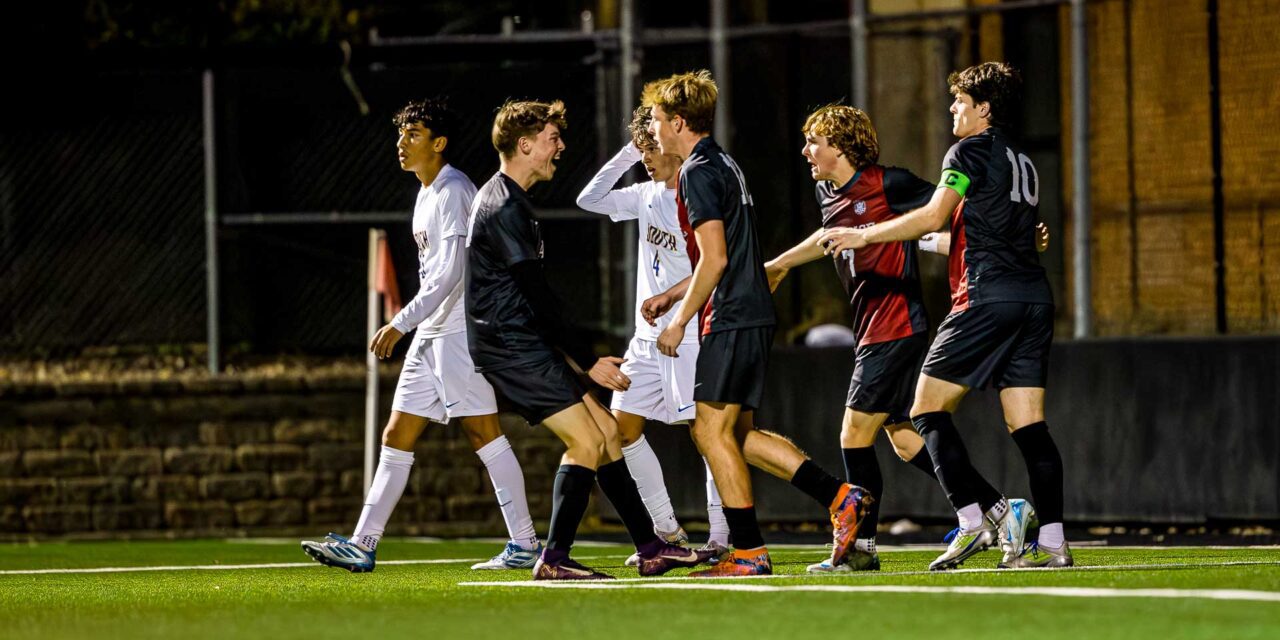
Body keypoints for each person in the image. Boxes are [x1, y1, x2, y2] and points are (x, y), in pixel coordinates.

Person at [766, 104, 1039, 572]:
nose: (806, 150)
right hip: (873, 326)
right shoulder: (825, 190)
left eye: (815, 140)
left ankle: (860, 548)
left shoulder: (889, 183)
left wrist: (1015, 235)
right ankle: (1001, 509)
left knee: (853, 435)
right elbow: (829, 235)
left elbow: (953, 217)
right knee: (906, 440)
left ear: (842, 145)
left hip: (895, 326)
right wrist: (780, 264)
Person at [818, 62, 1070, 569]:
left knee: (925, 412)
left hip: (985, 296)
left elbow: (935, 216)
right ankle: (1052, 545)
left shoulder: (968, 150)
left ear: (985, 109)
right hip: (1034, 299)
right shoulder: (1024, 159)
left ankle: (976, 522)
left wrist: (863, 235)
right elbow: (979, 231)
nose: (952, 108)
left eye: (960, 101)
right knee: (1030, 428)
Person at [465, 99, 714, 580]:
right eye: (552, 138)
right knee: (585, 440)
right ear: (525, 144)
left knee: (605, 432)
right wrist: (586, 360)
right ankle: (553, 559)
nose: (559, 147)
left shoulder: (512, 200)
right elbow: (535, 295)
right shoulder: (501, 205)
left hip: (525, 342)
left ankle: (650, 547)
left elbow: (536, 297)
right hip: (510, 348)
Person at [644, 70, 871, 577]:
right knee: (735, 433)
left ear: (678, 121)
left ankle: (748, 550)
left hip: (732, 313)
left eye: (658, 120)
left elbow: (715, 259)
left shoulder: (696, 171)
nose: (653, 129)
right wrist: (678, 298)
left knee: (708, 430)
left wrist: (680, 320)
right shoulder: (722, 160)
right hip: (747, 309)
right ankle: (840, 495)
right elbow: (727, 256)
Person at [302, 98, 540, 573]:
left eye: (413, 134)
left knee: (483, 432)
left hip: (454, 335)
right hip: (430, 336)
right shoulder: (425, 192)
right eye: (401, 134)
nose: (401, 143)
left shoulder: (454, 189)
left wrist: (400, 321)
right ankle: (364, 542)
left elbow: (452, 272)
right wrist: (415, 326)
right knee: (397, 433)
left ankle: (527, 543)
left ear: (439, 143)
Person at [575, 105, 731, 564]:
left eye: (652, 144)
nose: (646, 154)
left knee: (708, 435)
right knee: (620, 431)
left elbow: (712, 264)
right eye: (640, 146)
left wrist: (675, 304)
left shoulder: (694, 192)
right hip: (646, 341)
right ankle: (666, 528)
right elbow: (588, 198)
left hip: (689, 334)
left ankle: (721, 535)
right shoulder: (642, 193)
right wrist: (630, 148)